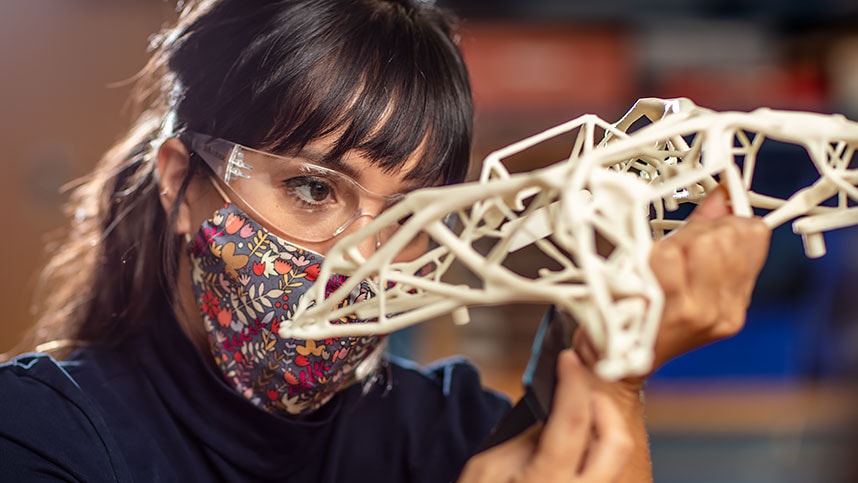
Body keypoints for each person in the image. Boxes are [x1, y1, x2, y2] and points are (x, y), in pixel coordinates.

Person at [0, 1, 770, 481]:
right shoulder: (39, 436)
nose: (364, 256)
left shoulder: (452, 430)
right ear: (178, 181)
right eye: (313, 188)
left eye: (409, 217)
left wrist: (613, 374)